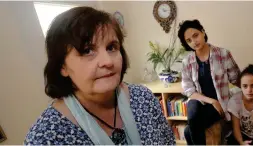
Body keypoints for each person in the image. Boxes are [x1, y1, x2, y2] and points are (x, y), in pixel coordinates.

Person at [24, 6, 175, 145]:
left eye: (111, 47)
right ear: (62, 66)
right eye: (87, 50)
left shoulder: (144, 98)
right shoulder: (44, 137)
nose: (108, 61)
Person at [178, 19, 253, 145]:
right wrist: (211, 101)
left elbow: (238, 79)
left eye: (195, 35)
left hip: (220, 104)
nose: (194, 42)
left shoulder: (223, 54)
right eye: (189, 40)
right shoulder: (187, 62)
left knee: (188, 131)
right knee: (192, 107)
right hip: (202, 103)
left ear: (202, 32)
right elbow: (188, 90)